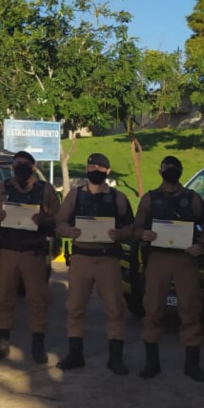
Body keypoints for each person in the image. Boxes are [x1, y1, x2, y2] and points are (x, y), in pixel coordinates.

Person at [132, 156, 204, 381]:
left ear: (179, 171)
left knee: (190, 308)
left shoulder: (192, 198)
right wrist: (142, 234)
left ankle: (192, 364)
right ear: (160, 171)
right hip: (158, 258)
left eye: (173, 168)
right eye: (166, 168)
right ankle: (152, 363)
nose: (170, 172)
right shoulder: (150, 199)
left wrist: (203, 245)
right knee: (152, 309)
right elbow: (135, 228)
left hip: (185, 259)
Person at [55, 153, 135, 375]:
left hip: (108, 258)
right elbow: (59, 223)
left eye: (99, 167)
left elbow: (132, 227)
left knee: (114, 309)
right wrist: (68, 231)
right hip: (81, 257)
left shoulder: (118, 198)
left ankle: (115, 358)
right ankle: (75, 353)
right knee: (75, 308)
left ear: (107, 171)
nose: (94, 170)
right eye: (91, 166)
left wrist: (119, 233)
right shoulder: (75, 196)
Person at [0, 151, 60, 363]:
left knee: (38, 299)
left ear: (34, 167)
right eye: (17, 164)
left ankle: (37, 345)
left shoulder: (44, 190)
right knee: (2, 297)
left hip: (32, 252)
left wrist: (43, 219)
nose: (21, 167)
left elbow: (58, 219)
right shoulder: (3, 188)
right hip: (8, 250)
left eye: (25, 164)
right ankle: (2, 342)